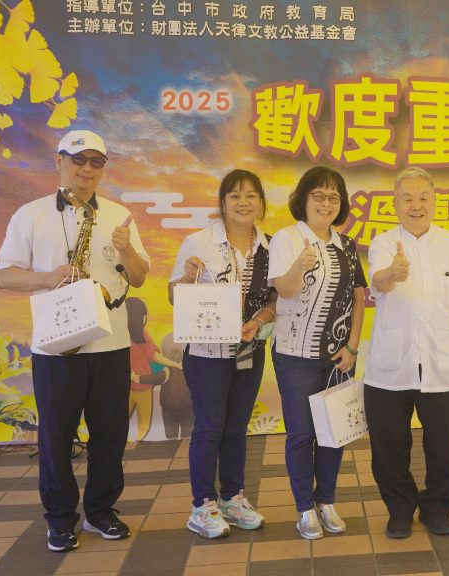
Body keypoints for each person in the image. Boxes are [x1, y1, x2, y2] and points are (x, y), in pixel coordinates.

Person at [0, 130, 150, 551]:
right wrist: (48, 278)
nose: (86, 169)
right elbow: (4, 275)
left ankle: (101, 511)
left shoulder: (119, 215)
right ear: (58, 160)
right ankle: (60, 518)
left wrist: (126, 250)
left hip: (110, 345)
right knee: (56, 437)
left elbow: (138, 277)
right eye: (78, 159)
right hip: (55, 347)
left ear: (103, 167)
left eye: (96, 161)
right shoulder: (30, 214)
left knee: (110, 434)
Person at [365, 168, 449, 539]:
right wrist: (392, 273)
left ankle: (437, 509)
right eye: (407, 199)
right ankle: (399, 511)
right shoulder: (383, 243)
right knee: (389, 446)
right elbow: (377, 282)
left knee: (442, 445)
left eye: (423, 198)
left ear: (434, 202)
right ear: (395, 204)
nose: (416, 206)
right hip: (391, 365)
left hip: (441, 363)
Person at [169, 169, 276, 539]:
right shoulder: (198, 242)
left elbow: (276, 299)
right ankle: (202, 506)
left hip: (250, 348)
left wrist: (258, 320)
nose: (243, 202)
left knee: (236, 428)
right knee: (210, 427)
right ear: (223, 202)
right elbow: (174, 295)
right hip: (206, 353)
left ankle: (232, 498)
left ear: (261, 202)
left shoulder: (270, 247)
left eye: (251, 195)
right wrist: (187, 278)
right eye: (235, 195)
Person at [269, 166, 366, 540]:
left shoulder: (347, 245)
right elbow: (285, 291)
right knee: (301, 433)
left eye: (334, 197)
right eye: (319, 196)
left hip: (338, 357)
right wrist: (299, 265)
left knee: (333, 431)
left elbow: (358, 298)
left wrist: (352, 346)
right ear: (303, 199)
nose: (326, 203)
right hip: (294, 355)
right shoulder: (287, 239)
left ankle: (326, 501)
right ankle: (305, 509)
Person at [126, 297, 180, 442]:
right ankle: (134, 441)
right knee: (143, 423)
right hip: (141, 389)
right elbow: (155, 356)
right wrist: (175, 364)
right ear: (142, 317)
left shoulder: (133, 336)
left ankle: (124, 442)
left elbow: (154, 356)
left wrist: (174, 365)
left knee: (126, 420)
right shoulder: (141, 335)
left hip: (134, 387)